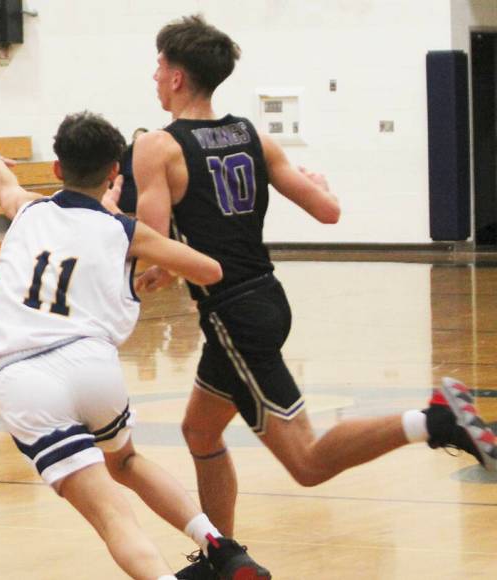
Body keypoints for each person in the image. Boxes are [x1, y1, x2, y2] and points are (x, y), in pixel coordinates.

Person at [130, 15, 497, 578]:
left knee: (306, 462)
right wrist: (319, 183)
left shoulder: (157, 146)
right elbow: (328, 211)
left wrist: (148, 267)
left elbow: (151, 240)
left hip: (233, 315)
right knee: (200, 430)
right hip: (267, 299)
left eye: (159, 66)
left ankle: (432, 421)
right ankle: (219, 557)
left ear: (178, 77)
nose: (154, 76)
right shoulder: (254, 135)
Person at [0, 113, 269, 580]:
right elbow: (211, 271)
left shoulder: (27, 208)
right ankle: (221, 547)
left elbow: (2, 183)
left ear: (58, 168)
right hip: (94, 367)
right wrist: (158, 265)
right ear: (114, 174)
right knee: (126, 461)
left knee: (111, 515)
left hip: (27, 376)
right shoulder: (124, 230)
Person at [117, 127, 147, 213]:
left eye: (142, 139)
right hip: (127, 204)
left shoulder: (154, 157)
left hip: (145, 203)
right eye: (136, 138)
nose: (138, 142)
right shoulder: (124, 156)